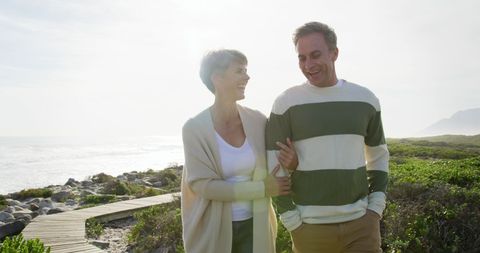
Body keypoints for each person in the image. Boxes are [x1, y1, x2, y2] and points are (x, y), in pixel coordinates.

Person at [266, 21, 390, 253]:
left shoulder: (365, 100)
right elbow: (274, 164)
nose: (308, 64)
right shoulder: (286, 103)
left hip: (361, 226)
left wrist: (375, 209)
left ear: (334, 53)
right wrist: (291, 218)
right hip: (310, 230)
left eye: (315, 55)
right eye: (302, 58)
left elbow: (378, 156)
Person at [181, 49, 294, 253]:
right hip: (213, 230)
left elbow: (277, 162)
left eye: (246, 71)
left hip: (256, 226)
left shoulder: (258, 121)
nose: (247, 77)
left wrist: (292, 161)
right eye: (239, 71)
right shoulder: (194, 129)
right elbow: (203, 185)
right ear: (217, 78)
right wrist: (261, 189)